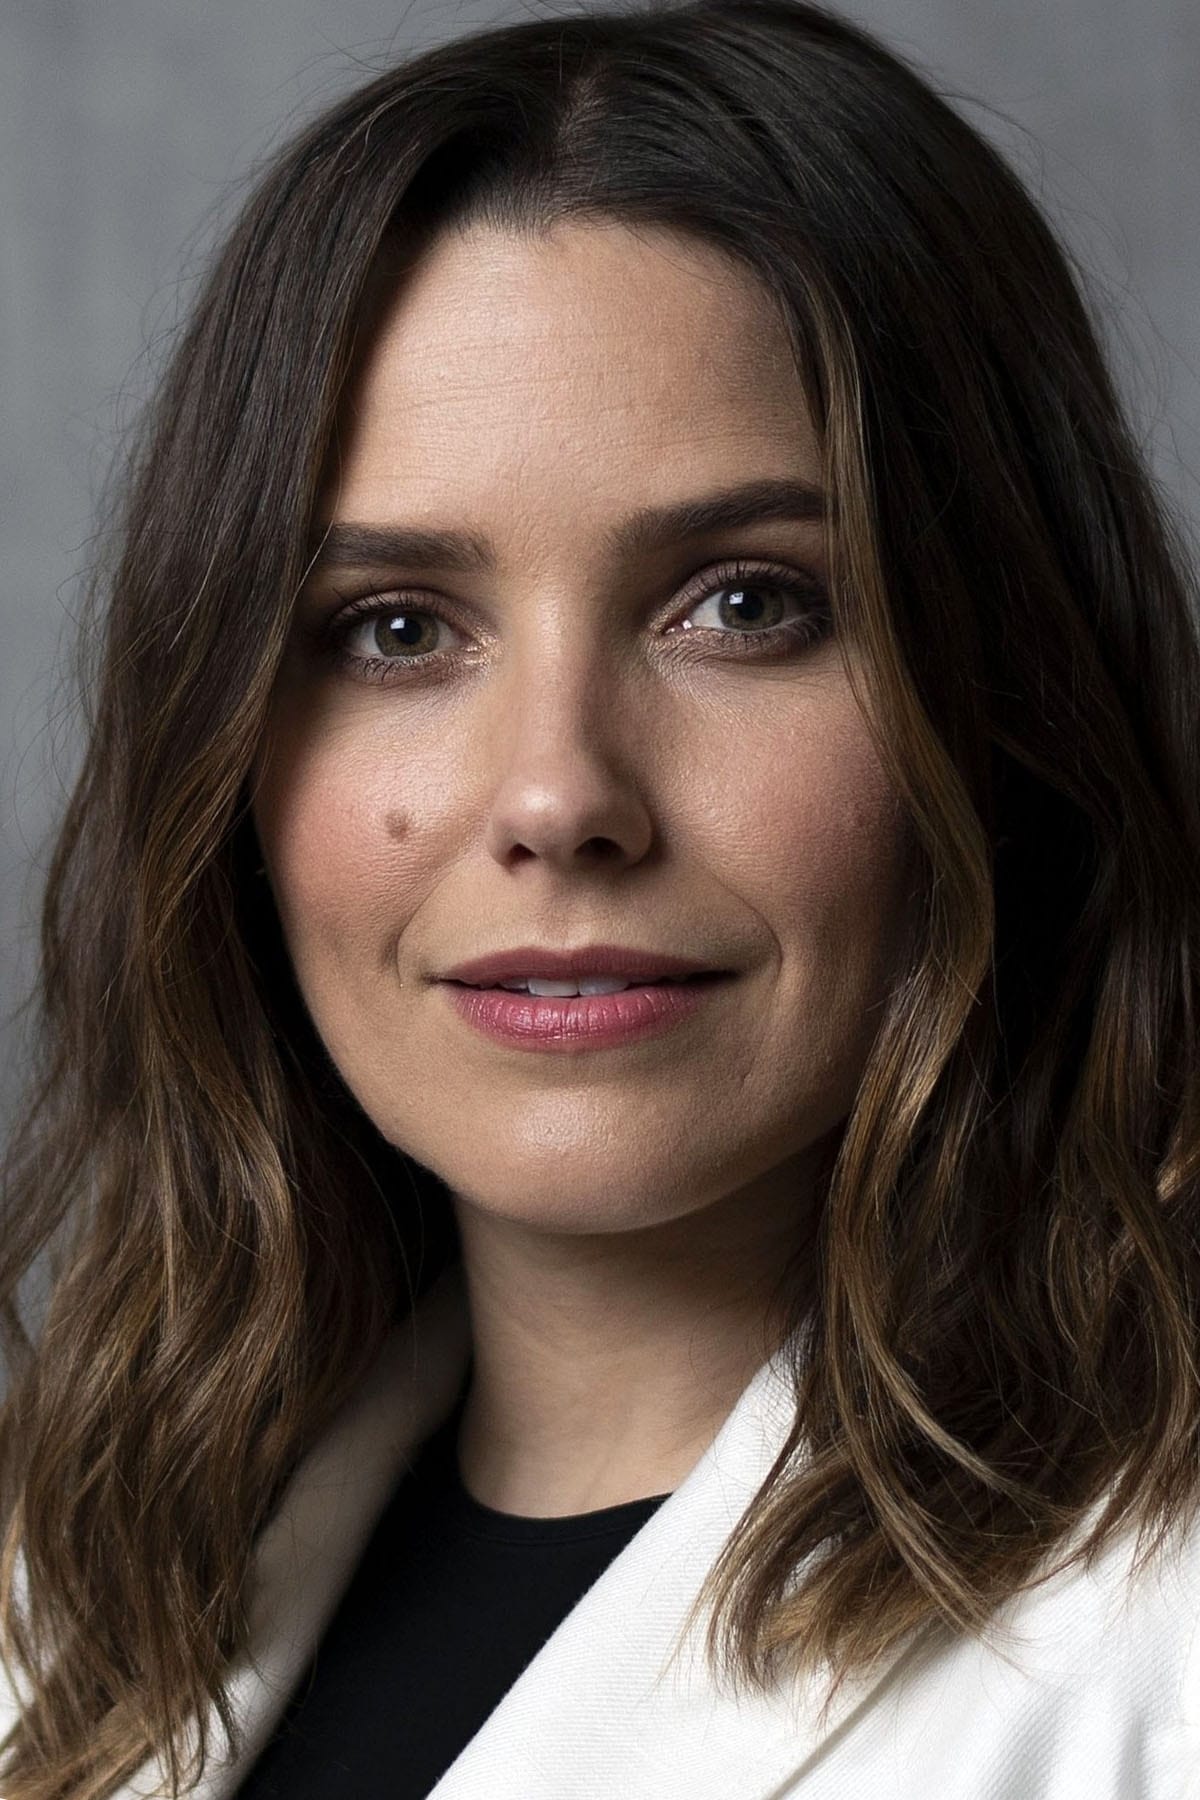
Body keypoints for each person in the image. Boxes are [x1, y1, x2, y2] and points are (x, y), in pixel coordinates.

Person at [2, 0, 1198, 1795]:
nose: (558, 796)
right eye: (395, 630)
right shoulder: (70, 1598)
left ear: (1015, 689)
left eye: (747, 605)